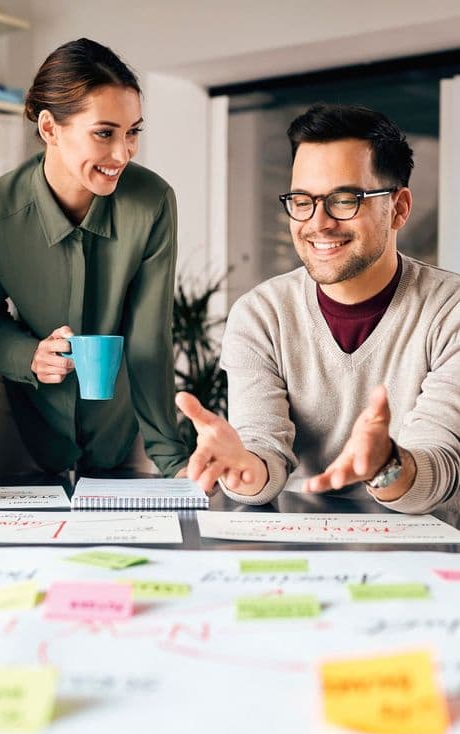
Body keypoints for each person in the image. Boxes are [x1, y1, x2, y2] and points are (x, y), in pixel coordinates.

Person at [177, 103, 460, 514]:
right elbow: (261, 448)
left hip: (427, 554)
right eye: (302, 200)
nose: (319, 222)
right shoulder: (261, 315)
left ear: (398, 208)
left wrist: (385, 466)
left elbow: (442, 465)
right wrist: (245, 469)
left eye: (345, 199)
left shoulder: (450, 311)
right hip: (301, 547)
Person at [0, 38, 187, 479]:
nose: (123, 154)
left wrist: (172, 460)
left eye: (133, 132)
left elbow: (149, 334)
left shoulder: (152, 201)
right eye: (105, 133)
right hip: (26, 411)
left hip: (123, 419)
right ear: (49, 128)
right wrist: (28, 356)